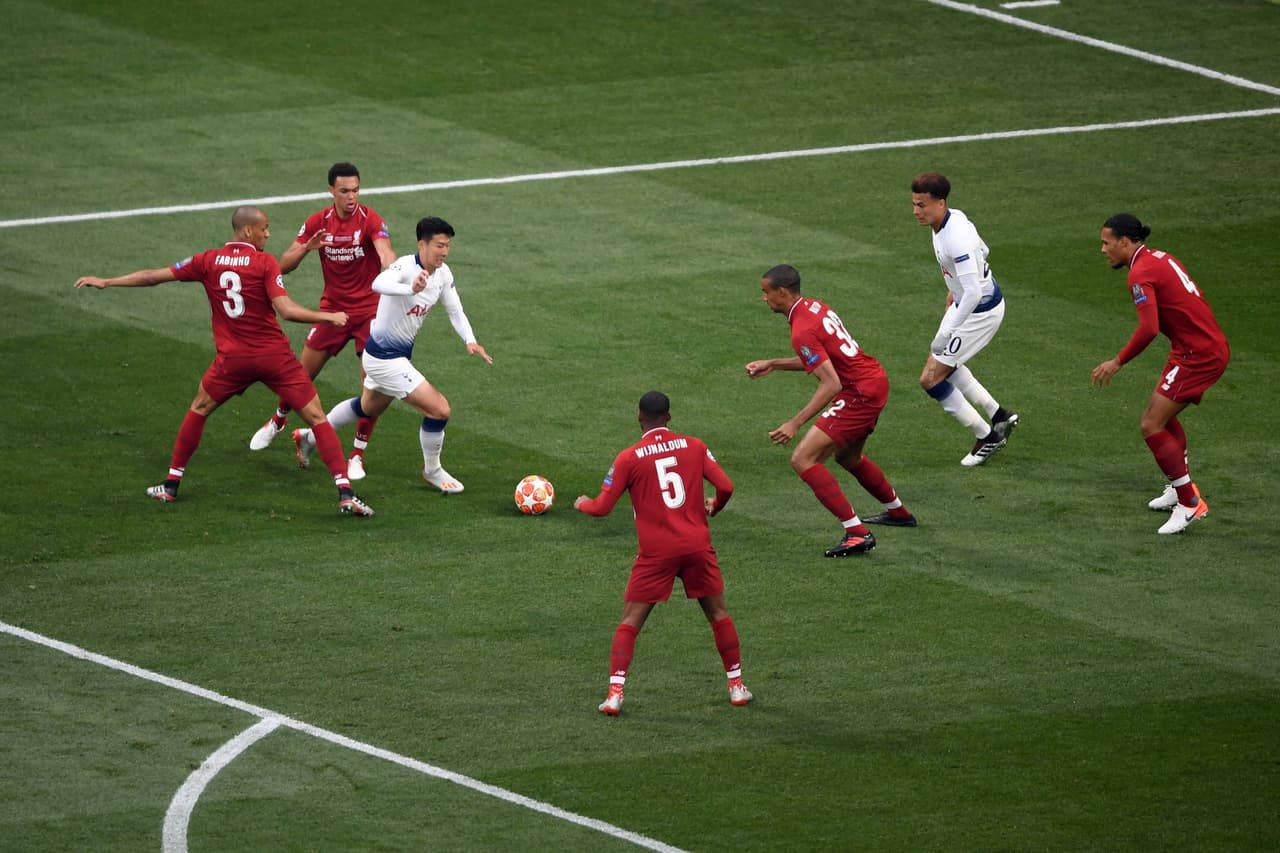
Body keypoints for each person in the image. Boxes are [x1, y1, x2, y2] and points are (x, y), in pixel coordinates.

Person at [74, 206, 374, 516]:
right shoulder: (264, 262)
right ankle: (345, 493)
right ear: (248, 231)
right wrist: (328, 316)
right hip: (274, 357)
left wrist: (108, 281)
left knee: (199, 408)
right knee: (316, 418)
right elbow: (286, 310)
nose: (268, 234)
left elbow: (154, 277)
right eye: (265, 228)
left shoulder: (208, 260)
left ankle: (171, 485)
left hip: (233, 359)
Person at [574, 391, 752, 716]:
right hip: (697, 546)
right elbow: (726, 487)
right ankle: (737, 688)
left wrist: (582, 503)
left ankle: (615, 695)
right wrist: (715, 507)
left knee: (631, 621)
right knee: (718, 614)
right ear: (669, 417)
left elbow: (601, 508)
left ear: (639, 417)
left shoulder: (629, 457)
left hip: (657, 553)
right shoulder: (695, 446)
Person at [293, 216, 491, 493]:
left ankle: (309, 438)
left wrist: (470, 340)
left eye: (447, 246)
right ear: (422, 244)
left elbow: (455, 309)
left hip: (392, 355)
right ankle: (432, 471)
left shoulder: (443, 274)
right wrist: (410, 288)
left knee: (366, 407)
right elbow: (378, 283)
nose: (444, 252)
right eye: (439, 246)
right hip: (385, 358)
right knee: (439, 409)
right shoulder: (404, 267)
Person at [745, 264, 915, 559]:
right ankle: (898, 512)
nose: (764, 298)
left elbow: (830, 383)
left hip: (858, 393)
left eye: (766, 292)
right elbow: (823, 360)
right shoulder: (814, 307)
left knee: (803, 458)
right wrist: (773, 363)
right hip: (874, 380)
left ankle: (857, 533)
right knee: (848, 456)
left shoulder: (801, 328)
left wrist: (794, 423)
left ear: (782, 292)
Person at [248, 162, 398, 481]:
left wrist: (392, 271)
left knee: (372, 387)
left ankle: (357, 455)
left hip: (370, 312)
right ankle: (278, 420)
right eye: (344, 191)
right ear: (331, 190)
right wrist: (306, 247)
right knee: (302, 376)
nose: (351, 197)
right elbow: (282, 265)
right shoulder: (318, 222)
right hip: (331, 311)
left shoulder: (371, 220)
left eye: (356, 190)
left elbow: (386, 252)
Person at [1091, 214, 1230, 535]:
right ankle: (1179, 486)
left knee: (1151, 424)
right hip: (1195, 347)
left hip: (1198, 354)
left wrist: (1117, 361)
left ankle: (1189, 502)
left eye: (1105, 242)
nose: (1103, 249)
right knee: (1162, 419)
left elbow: (1149, 328)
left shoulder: (1140, 273)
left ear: (1124, 242)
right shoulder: (1160, 257)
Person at [910, 172, 1019, 466]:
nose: (916, 211)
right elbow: (984, 250)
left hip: (978, 313)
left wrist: (950, 328)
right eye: (914, 204)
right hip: (968, 304)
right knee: (943, 363)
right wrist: (954, 289)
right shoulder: (954, 217)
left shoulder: (954, 238)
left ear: (940, 203)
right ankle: (999, 416)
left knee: (931, 378)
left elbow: (972, 291)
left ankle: (987, 437)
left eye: (922, 205)